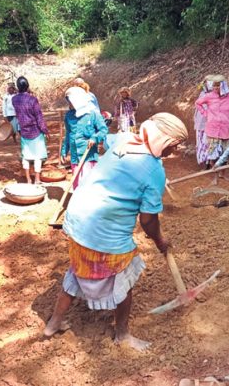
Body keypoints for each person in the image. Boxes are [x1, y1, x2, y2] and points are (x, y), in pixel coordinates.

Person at [43, 113, 189, 352]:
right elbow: (148, 221)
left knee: (77, 269)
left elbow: (107, 140)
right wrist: (161, 241)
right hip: (104, 230)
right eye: (173, 145)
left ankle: (53, 323)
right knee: (124, 279)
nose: (174, 151)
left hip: (78, 219)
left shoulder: (124, 140)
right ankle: (122, 334)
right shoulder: (154, 172)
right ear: (162, 139)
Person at [60, 87, 108, 190]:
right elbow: (68, 134)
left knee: (87, 184)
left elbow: (103, 130)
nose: (70, 104)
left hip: (88, 156)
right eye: (69, 102)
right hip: (75, 157)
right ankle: (77, 203)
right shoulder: (69, 116)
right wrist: (64, 151)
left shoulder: (93, 114)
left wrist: (94, 138)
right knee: (77, 183)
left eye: (71, 102)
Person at [11, 77, 50, 184]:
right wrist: (45, 130)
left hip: (23, 131)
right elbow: (39, 117)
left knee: (26, 156)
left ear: (17, 87)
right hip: (36, 131)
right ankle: (37, 179)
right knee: (38, 157)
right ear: (27, 86)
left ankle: (28, 179)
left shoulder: (14, 99)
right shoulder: (33, 100)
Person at [193, 78, 212, 169]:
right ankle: (204, 163)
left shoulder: (215, 96)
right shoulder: (202, 95)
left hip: (210, 124)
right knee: (202, 143)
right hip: (201, 124)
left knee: (207, 143)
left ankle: (207, 162)